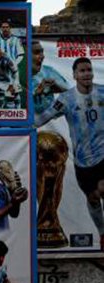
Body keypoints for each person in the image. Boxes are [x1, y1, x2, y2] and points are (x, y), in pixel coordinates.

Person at [35, 57, 104, 250]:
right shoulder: (66, 100)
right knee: (92, 198)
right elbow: (41, 119)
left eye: (89, 70)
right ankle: (102, 234)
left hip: (103, 155)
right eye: (82, 71)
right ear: (74, 75)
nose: (87, 74)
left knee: (102, 188)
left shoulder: (102, 91)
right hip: (82, 162)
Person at [31, 40, 68, 117]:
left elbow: (69, 92)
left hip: (47, 122)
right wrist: (36, 93)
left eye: (42, 52)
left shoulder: (48, 71)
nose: (42, 56)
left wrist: (56, 86)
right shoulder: (13, 76)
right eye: (37, 52)